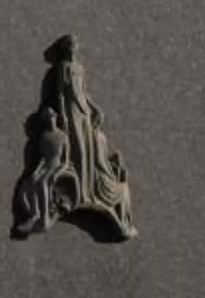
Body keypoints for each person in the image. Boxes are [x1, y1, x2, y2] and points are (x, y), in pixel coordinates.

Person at [10, 35, 138, 243]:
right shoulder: (63, 68)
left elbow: (83, 92)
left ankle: (88, 184)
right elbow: (62, 93)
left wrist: (94, 107)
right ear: (65, 49)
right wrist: (62, 115)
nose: (73, 49)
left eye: (74, 46)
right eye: (70, 46)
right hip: (70, 112)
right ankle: (76, 189)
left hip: (83, 111)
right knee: (76, 144)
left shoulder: (78, 67)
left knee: (87, 144)